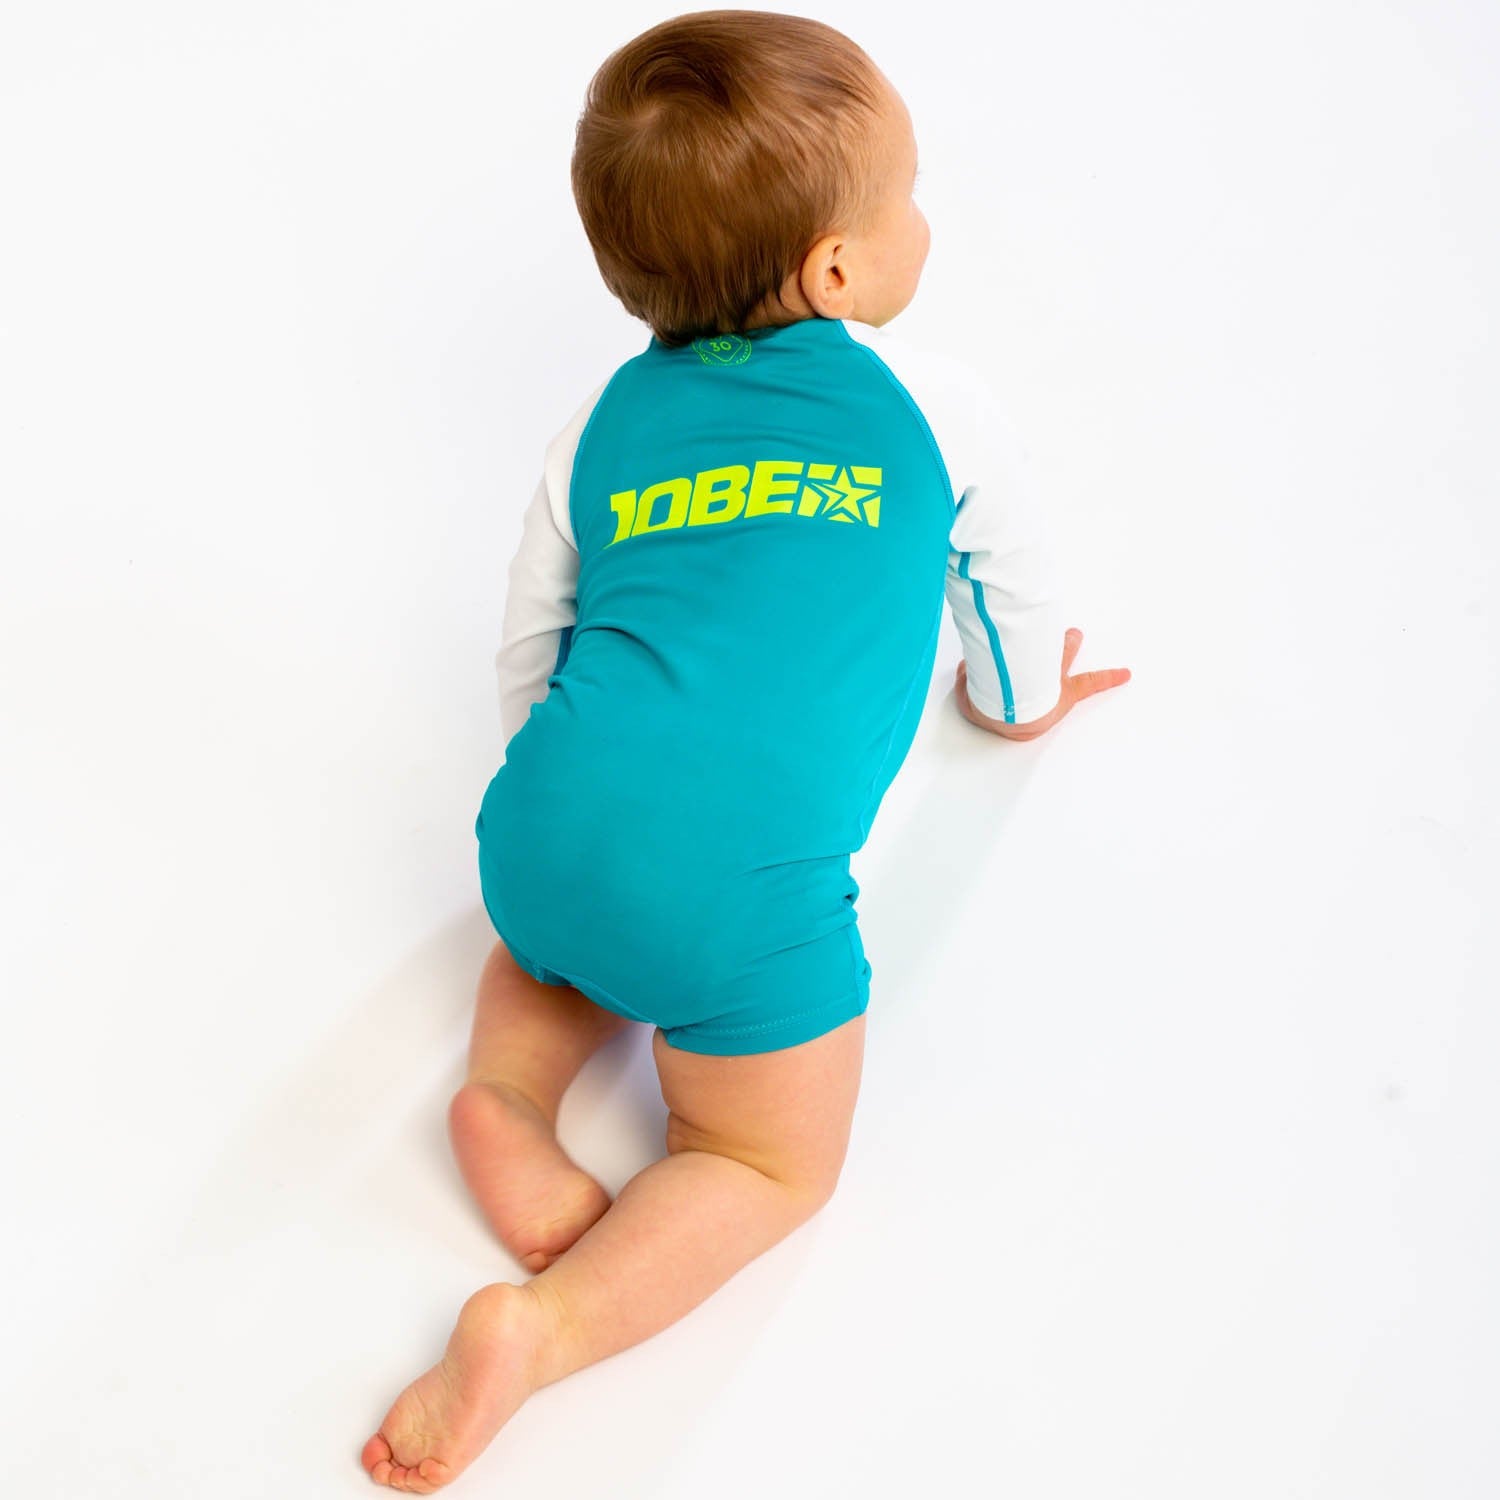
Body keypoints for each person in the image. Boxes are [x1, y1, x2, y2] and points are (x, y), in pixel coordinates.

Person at [362, 10, 1130, 1490]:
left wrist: (570, 794)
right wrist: (1018, 701)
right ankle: (540, 1327)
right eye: (906, 194)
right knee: (767, 1161)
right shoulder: (935, 406)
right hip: (741, 915)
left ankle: (505, 1094)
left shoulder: (601, 420)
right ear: (837, 270)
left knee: (552, 948)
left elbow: (532, 643)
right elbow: (1013, 592)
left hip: (543, 828)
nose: (923, 218)